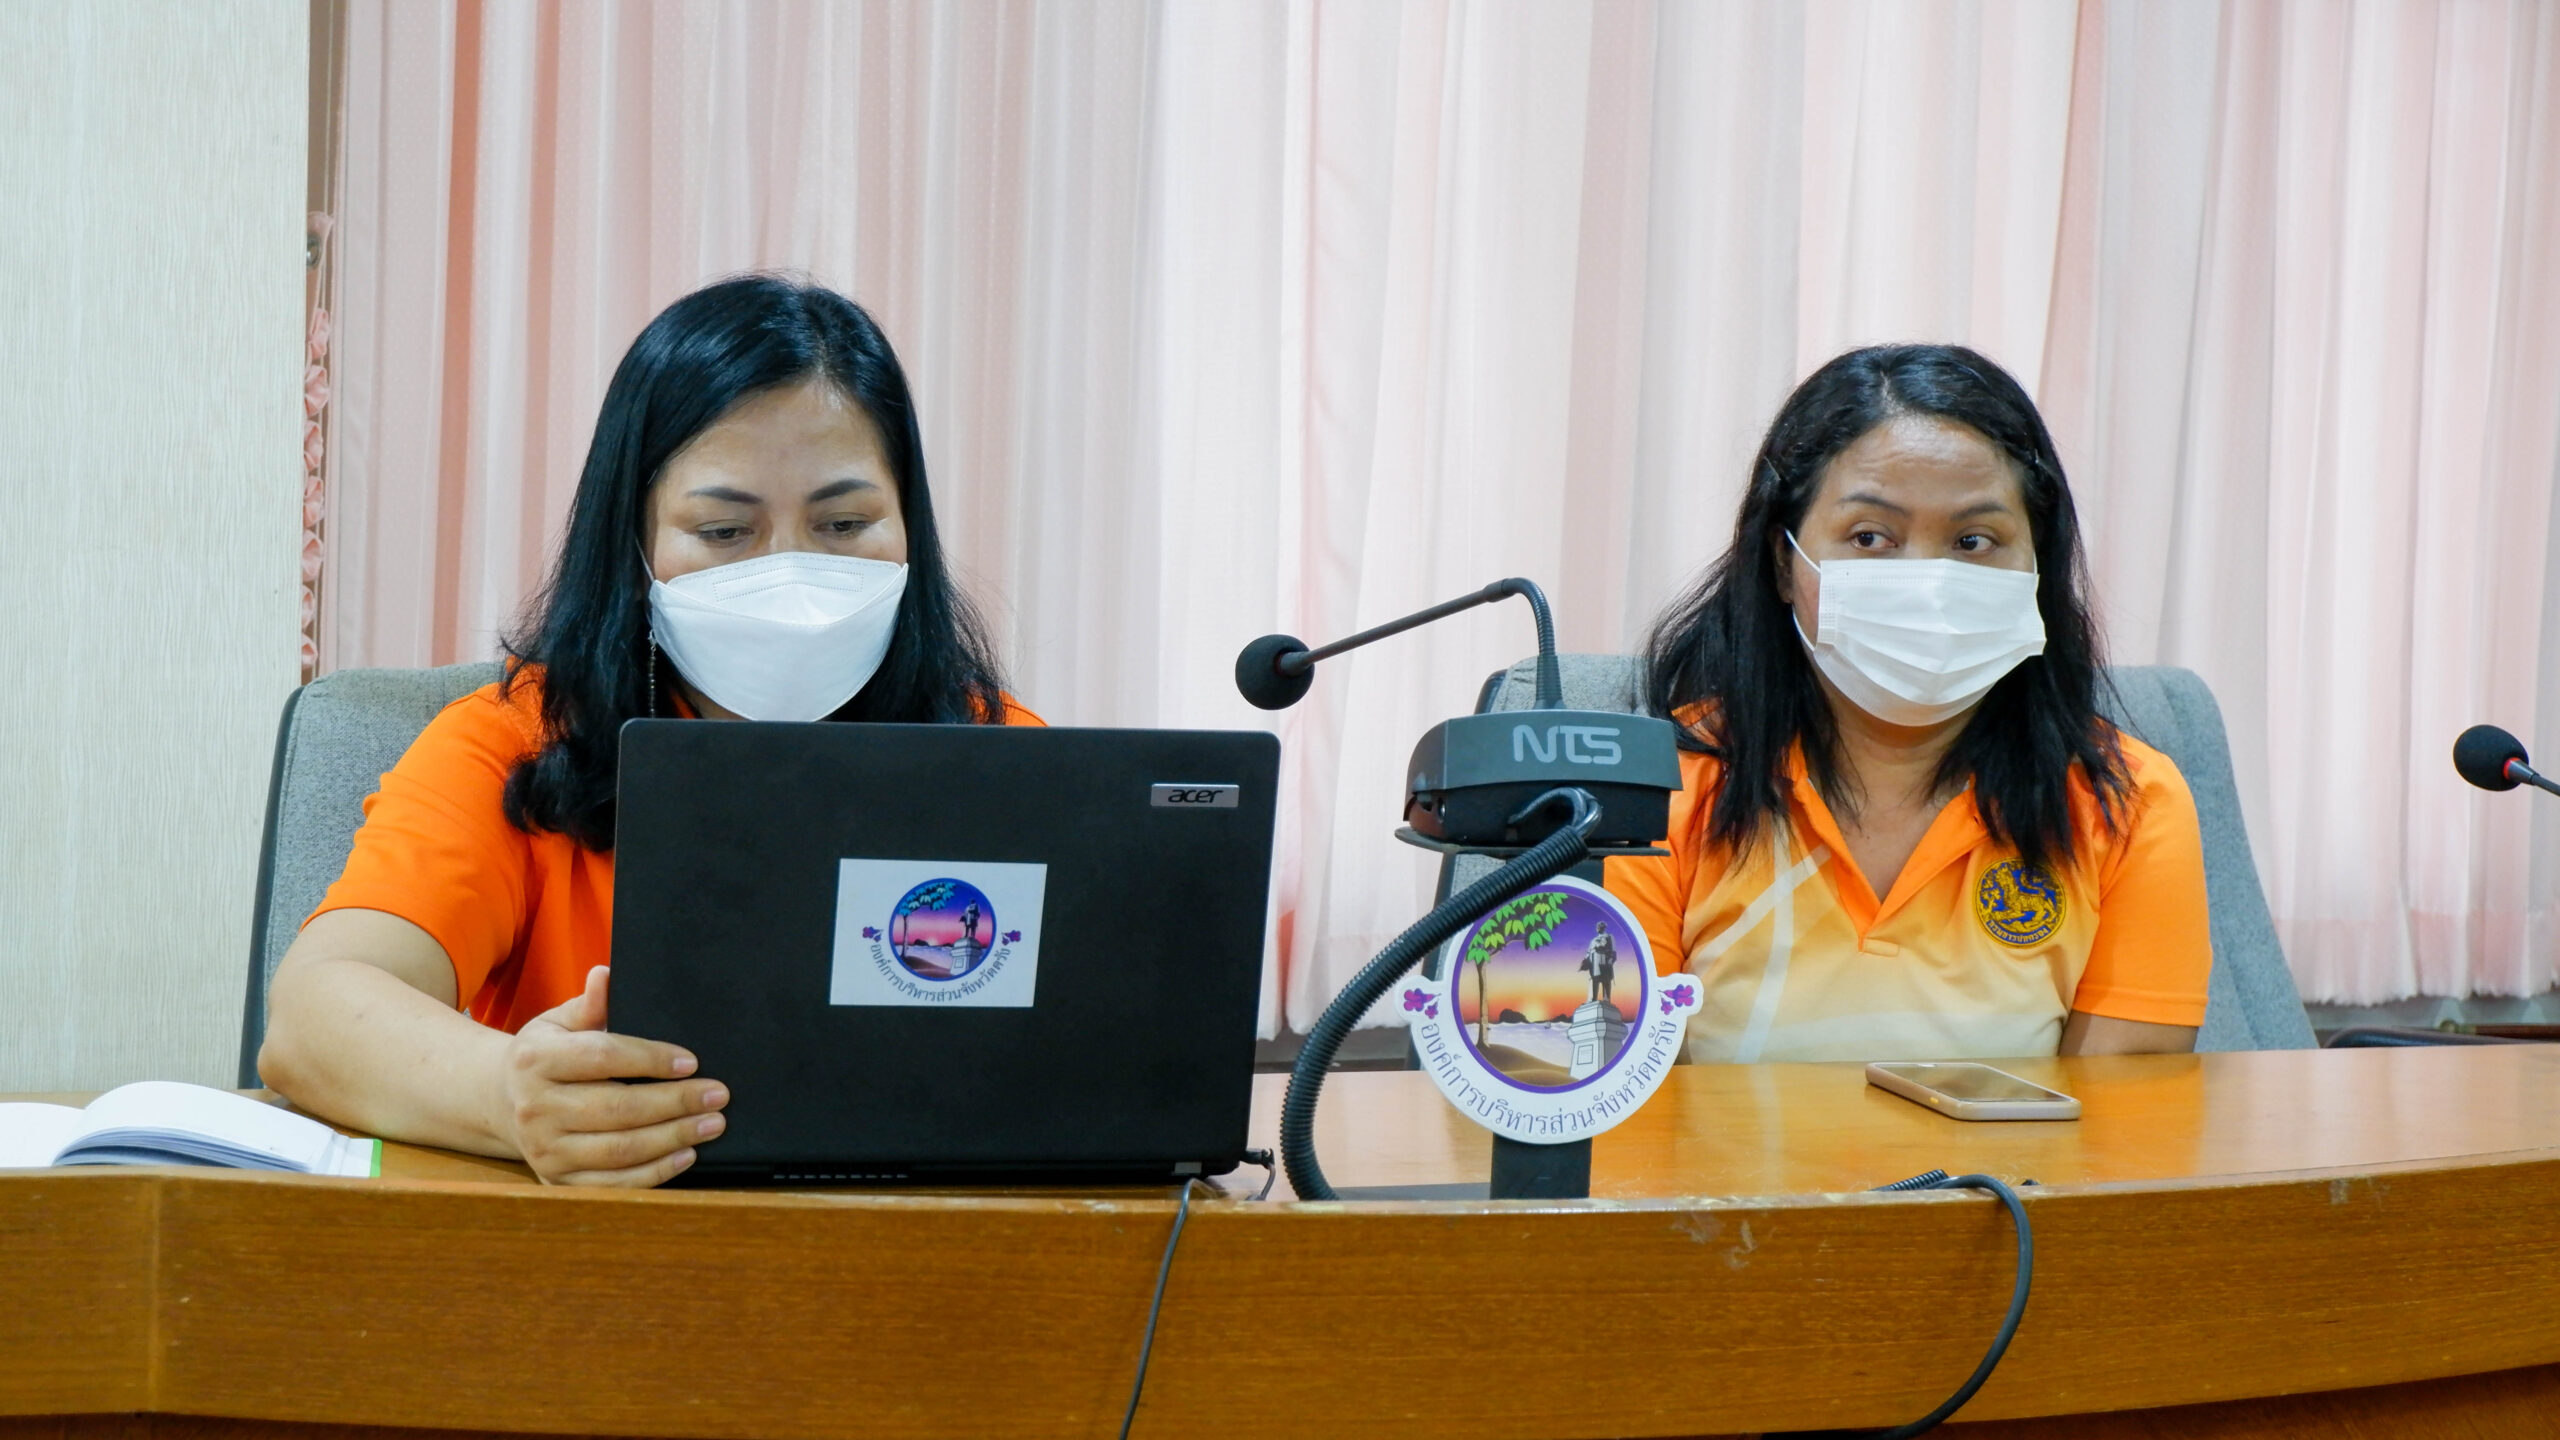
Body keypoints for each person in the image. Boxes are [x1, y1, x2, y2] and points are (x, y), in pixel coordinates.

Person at [259, 275, 1039, 1186]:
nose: (791, 574)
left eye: (843, 522)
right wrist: (508, 1094)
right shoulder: (515, 746)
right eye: (724, 531)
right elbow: (312, 1020)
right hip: (594, 1249)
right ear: (634, 549)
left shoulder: (1003, 757)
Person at [1605, 344, 2209, 1064]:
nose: (1928, 582)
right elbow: (1600, 1086)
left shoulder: (2129, 802)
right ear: (1783, 560)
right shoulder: (1653, 788)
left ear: (2037, 564)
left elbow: (2127, 1112)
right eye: (1870, 537)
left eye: (1974, 540)